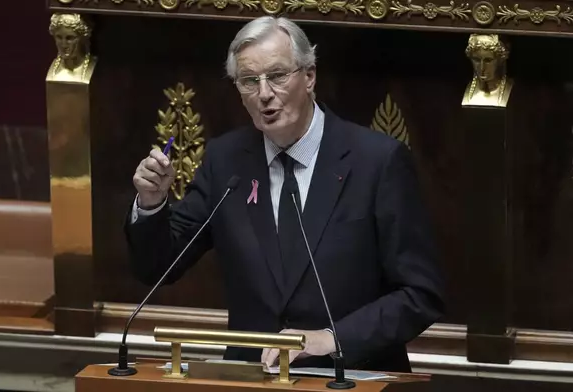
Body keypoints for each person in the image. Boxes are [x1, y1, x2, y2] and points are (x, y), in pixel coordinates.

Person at [125, 16, 444, 372]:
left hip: (350, 375)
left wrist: (333, 337)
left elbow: (420, 294)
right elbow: (158, 266)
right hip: (253, 377)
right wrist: (152, 203)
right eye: (249, 81)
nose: (264, 94)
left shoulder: (378, 162)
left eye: (277, 76)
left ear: (309, 77)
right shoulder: (225, 162)